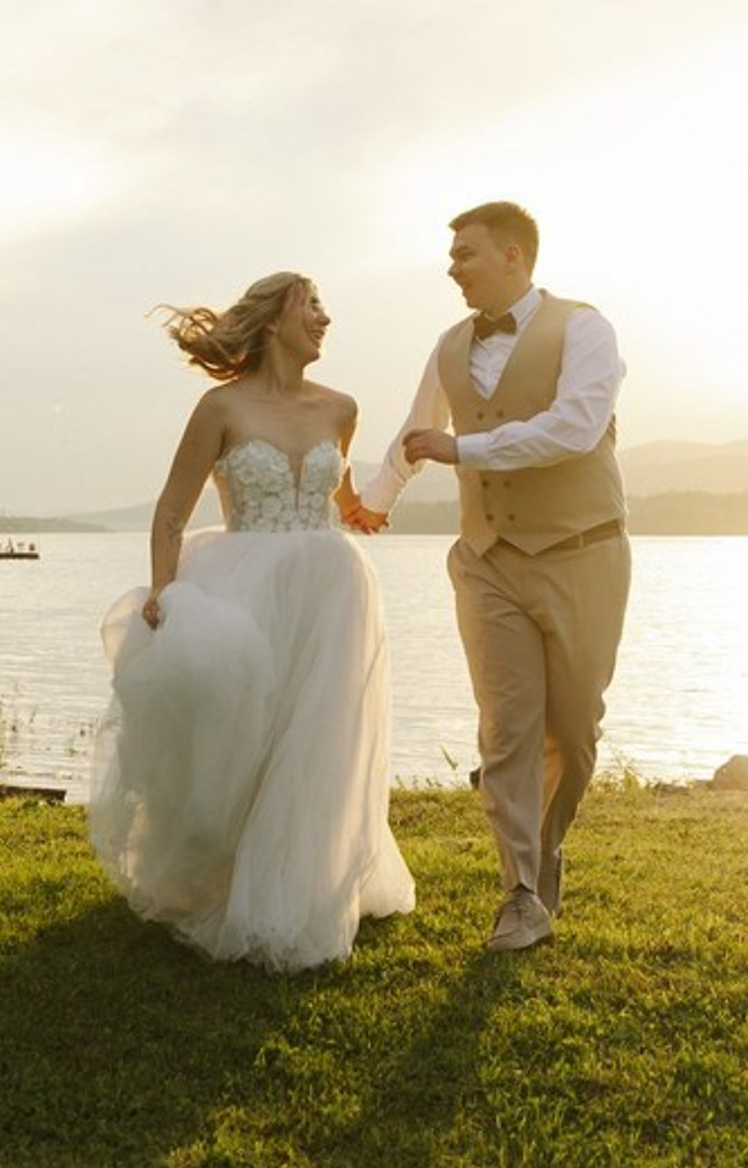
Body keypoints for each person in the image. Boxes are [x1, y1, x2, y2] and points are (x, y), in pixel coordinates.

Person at [88, 271, 414, 970]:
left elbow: (341, 492)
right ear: (272, 321)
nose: (325, 317)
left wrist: (369, 505)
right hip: (244, 582)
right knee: (246, 737)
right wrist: (165, 598)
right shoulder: (220, 408)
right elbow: (173, 512)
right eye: (312, 306)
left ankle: (306, 885)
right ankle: (223, 877)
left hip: (332, 589)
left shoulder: (342, 408)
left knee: (317, 738)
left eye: (325, 305)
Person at [354, 202, 630, 953]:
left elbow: (575, 426)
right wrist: (373, 504)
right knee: (507, 730)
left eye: (465, 254)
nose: (452, 267)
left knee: (571, 736)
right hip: (487, 562)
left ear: (514, 256)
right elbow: (417, 435)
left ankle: (545, 851)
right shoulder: (447, 346)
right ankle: (518, 892)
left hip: (583, 552)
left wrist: (463, 451)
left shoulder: (585, 329)